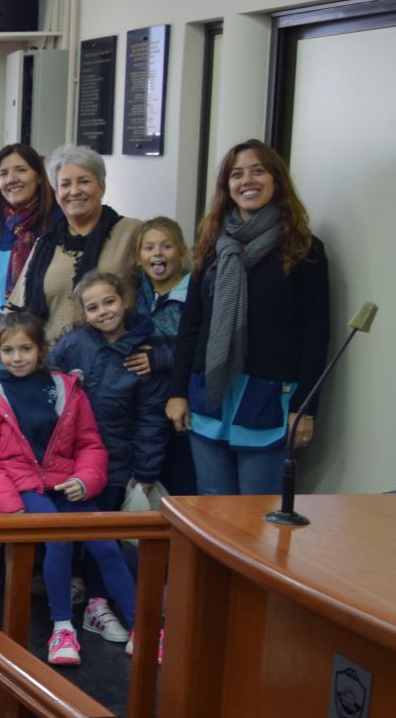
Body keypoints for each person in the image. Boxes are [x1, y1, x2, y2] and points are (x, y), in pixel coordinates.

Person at [0, 313, 138, 666]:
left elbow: (90, 443)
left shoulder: (66, 387)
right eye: (8, 350)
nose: (17, 357)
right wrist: (11, 506)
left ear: (41, 349)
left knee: (106, 543)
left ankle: (144, 627)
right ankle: (62, 627)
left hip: (67, 484)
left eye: (25, 348)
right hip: (22, 488)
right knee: (57, 538)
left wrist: (86, 480)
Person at [166, 141, 330, 497]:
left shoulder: (303, 248)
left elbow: (315, 335)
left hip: (268, 399)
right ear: (227, 186)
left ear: (276, 180)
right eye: (236, 174)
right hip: (209, 394)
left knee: (256, 517)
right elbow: (191, 324)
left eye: (258, 170)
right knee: (212, 509)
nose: (247, 181)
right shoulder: (211, 245)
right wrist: (177, 391)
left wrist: (305, 410)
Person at [51, 270, 167, 637]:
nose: (103, 311)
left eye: (109, 302)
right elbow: (48, 384)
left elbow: (151, 418)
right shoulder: (73, 344)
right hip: (74, 459)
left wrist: (145, 474)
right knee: (77, 525)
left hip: (119, 460)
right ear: (83, 313)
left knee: (108, 533)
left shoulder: (145, 351)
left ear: (125, 300)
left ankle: (100, 603)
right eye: (92, 307)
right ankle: (80, 591)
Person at [0, 145, 141, 349]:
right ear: (57, 193)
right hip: (53, 366)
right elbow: (12, 314)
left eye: (84, 181)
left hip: (113, 364)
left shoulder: (132, 232)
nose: (74, 191)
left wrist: (156, 350)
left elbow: (164, 294)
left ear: (102, 186)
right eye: (65, 184)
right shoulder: (44, 244)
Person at [0, 143, 57, 340]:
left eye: (21, 170)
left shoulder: (58, 223)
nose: (11, 179)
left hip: (46, 343)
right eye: (3, 173)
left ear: (39, 176)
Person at [131, 216, 195, 495]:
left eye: (166, 246)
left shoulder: (196, 291)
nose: (157, 253)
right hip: (144, 405)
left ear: (181, 251)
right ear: (138, 257)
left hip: (183, 399)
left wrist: (159, 358)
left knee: (182, 480)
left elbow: (199, 344)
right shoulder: (132, 295)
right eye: (149, 247)